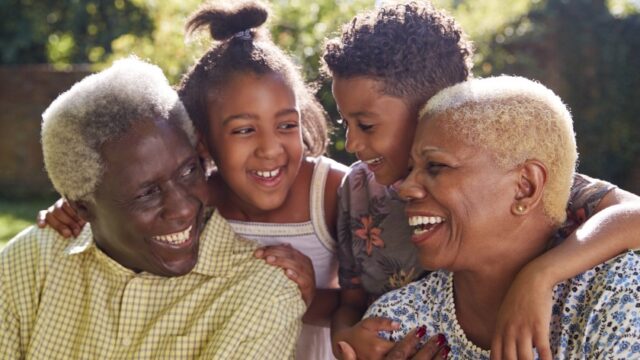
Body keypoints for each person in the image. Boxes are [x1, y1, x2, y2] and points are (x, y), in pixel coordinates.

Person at [322, 1, 640, 358]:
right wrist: (348, 341)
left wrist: (540, 275)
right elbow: (347, 299)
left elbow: (634, 216)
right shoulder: (360, 191)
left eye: (366, 125)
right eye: (344, 124)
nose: (350, 144)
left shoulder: (536, 184)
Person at [37, 2, 347, 359]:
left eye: (286, 125)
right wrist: (75, 207)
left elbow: (373, 297)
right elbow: (119, 207)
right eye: (244, 130)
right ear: (201, 139)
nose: (270, 149)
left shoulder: (331, 192)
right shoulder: (196, 200)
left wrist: (311, 296)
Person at [1, 57, 305, 359]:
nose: (182, 209)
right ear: (82, 208)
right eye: (147, 193)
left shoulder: (263, 295)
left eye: (188, 171)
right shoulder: (28, 264)